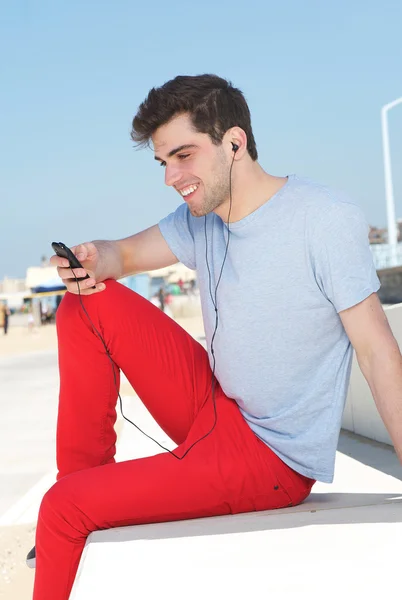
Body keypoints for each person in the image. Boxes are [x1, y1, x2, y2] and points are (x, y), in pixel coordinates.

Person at [30, 74, 402, 600]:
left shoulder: (322, 218)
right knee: (88, 301)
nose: (171, 176)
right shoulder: (201, 220)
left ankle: (75, 507)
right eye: (163, 163)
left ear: (234, 142)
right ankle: (85, 481)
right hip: (214, 405)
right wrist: (93, 258)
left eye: (183, 155)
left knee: (61, 509)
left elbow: (377, 350)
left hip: (267, 457)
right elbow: (125, 256)